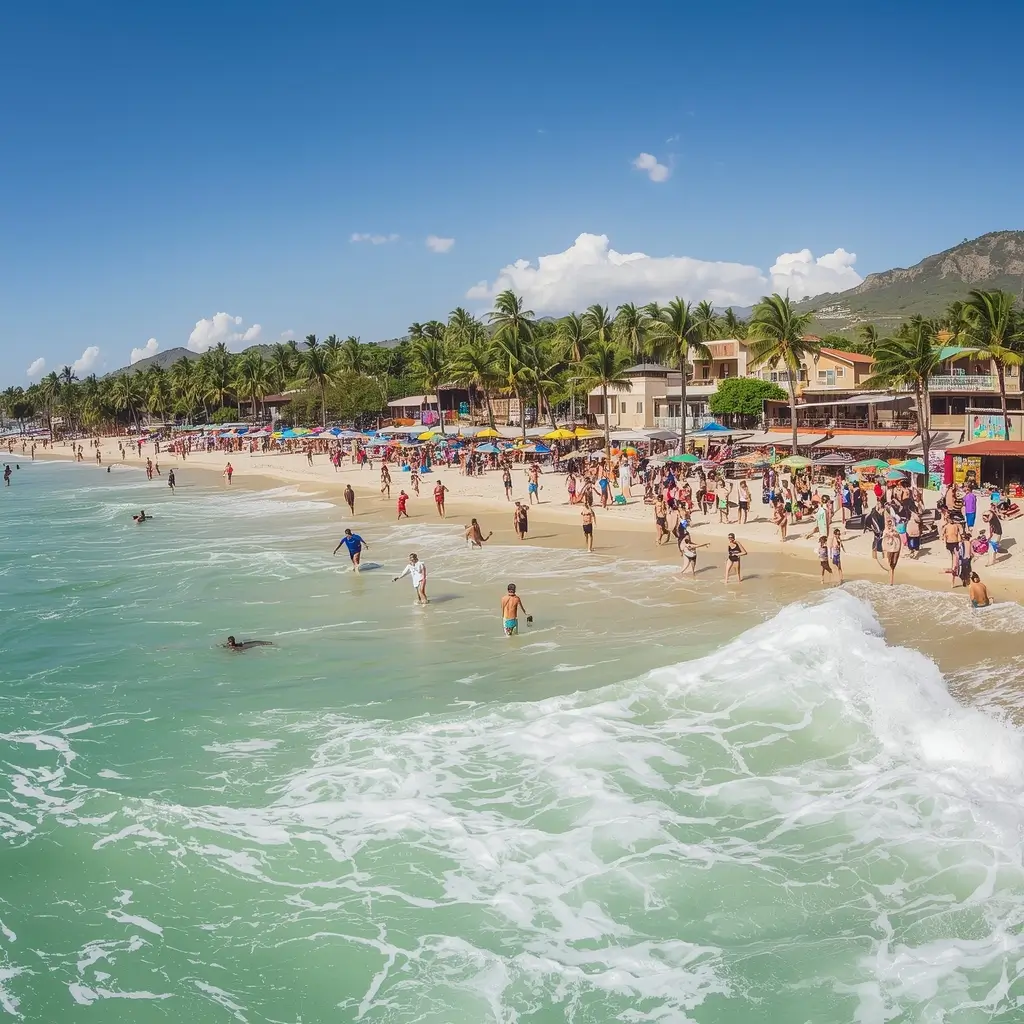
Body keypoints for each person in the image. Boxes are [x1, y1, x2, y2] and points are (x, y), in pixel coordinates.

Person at [881, 519, 901, 585]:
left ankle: (891, 579)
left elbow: (898, 533)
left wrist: (893, 532)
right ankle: (890, 580)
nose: (889, 524)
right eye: (888, 523)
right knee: (889, 563)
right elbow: (883, 537)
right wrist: (888, 534)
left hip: (896, 547)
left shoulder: (895, 529)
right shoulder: (885, 530)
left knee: (894, 562)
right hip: (889, 548)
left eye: (890, 523)